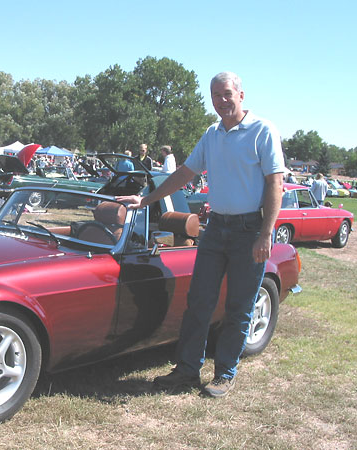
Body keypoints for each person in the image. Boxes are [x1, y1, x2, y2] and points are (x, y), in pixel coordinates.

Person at [117, 71, 285, 398]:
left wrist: (266, 233)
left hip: (249, 230)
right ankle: (187, 371)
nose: (221, 100)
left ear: (241, 94)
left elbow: (274, 183)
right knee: (198, 303)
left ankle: (224, 374)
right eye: (215, 95)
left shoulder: (263, 131)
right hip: (215, 229)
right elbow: (184, 173)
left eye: (226, 94)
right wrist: (147, 199)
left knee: (239, 306)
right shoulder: (211, 134)